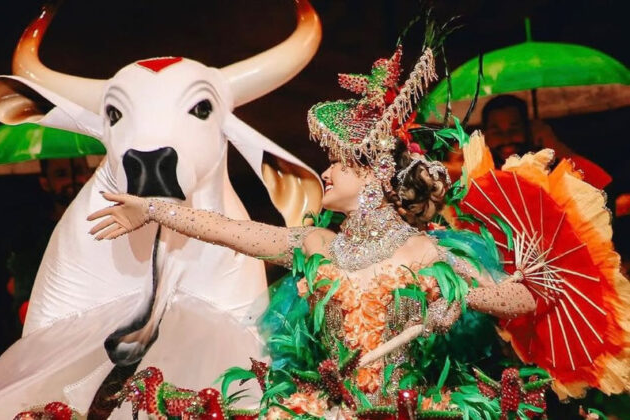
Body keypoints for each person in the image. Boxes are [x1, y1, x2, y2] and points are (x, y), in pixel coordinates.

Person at [87, 47, 541, 419]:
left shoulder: (424, 251)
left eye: (337, 163)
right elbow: (229, 231)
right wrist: (152, 208)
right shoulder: (316, 244)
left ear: (374, 174)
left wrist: (458, 298)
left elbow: (520, 300)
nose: (324, 172)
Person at [6, 157, 93, 331]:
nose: (72, 181)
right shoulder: (32, 237)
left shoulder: (111, 223)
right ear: (45, 183)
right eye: (61, 175)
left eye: (78, 171)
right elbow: (25, 308)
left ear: (90, 175)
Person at [481, 95, 612, 189]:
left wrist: (554, 145)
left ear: (529, 129)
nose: (507, 139)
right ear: (485, 135)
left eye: (514, 129)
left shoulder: (549, 171)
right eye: (496, 131)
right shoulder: (480, 178)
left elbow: (601, 186)